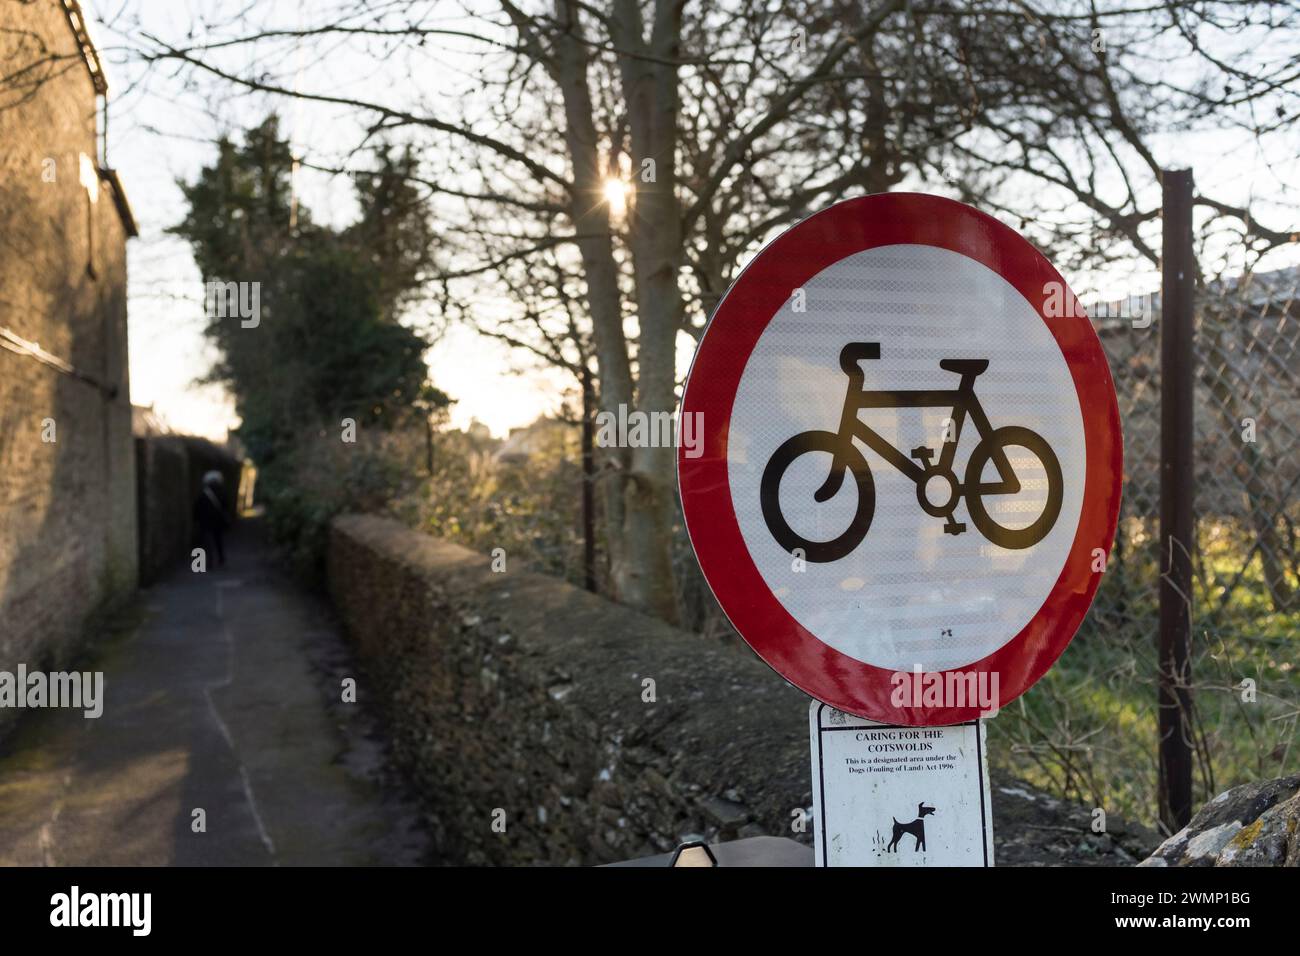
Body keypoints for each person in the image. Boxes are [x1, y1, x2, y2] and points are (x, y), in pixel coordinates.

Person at [194, 470, 229, 567]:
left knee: (207, 541)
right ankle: (221, 558)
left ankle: (209, 561)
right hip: (217, 521)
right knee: (218, 540)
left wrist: (196, 519)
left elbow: (197, 506)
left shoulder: (204, 492)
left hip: (205, 521)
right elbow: (226, 505)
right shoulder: (222, 491)